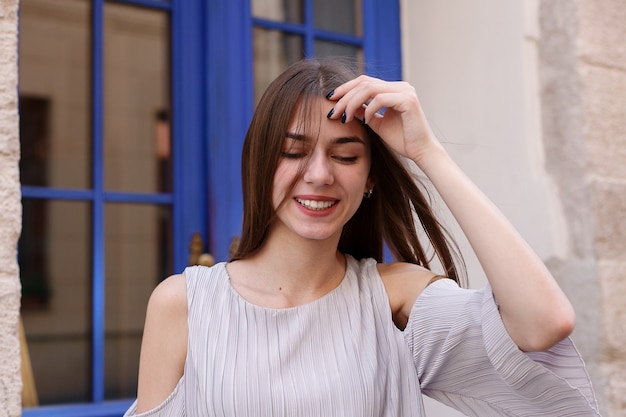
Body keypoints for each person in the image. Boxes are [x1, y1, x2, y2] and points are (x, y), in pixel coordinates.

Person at [124, 58, 599, 416]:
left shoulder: (394, 300)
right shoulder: (184, 303)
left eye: (346, 156)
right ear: (261, 163)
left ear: (370, 178)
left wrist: (427, 152)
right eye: (294, 151)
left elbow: (545, 322)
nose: (319, 174)